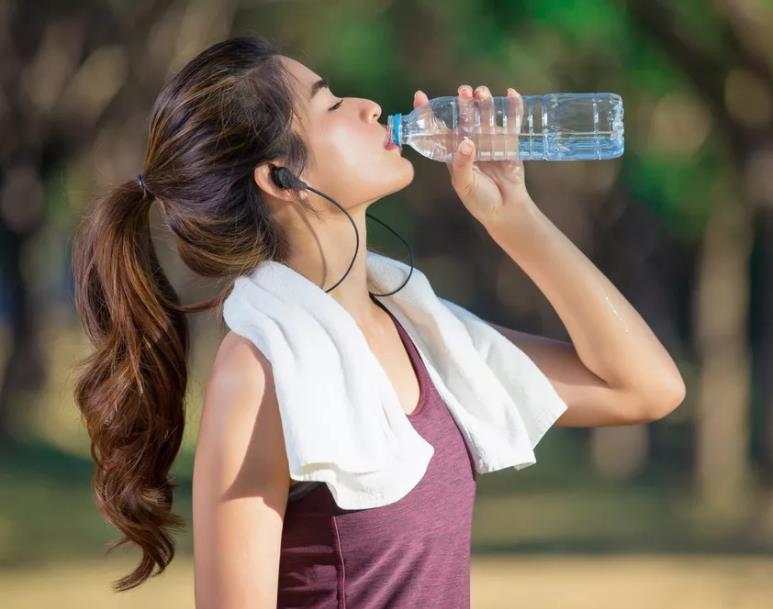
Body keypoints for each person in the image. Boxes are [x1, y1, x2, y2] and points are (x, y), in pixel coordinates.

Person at [71, 35, 685, 608]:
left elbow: (645, 388)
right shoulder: (260, 369)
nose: (368, 106)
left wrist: (513, 215)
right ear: (281, 178)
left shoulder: (424, 333)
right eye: (331, 103)